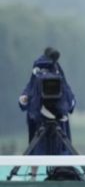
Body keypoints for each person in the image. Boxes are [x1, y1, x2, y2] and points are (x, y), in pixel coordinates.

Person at [18, 47, 76, 179]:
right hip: (47, 117)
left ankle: (34, 177)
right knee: (43, 145)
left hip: (48, 116)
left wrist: (25, 98)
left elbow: (31, 89)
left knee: (36, 146)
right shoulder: (46, 69)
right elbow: (33, 87)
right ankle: (57, 175)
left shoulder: (48, 69)